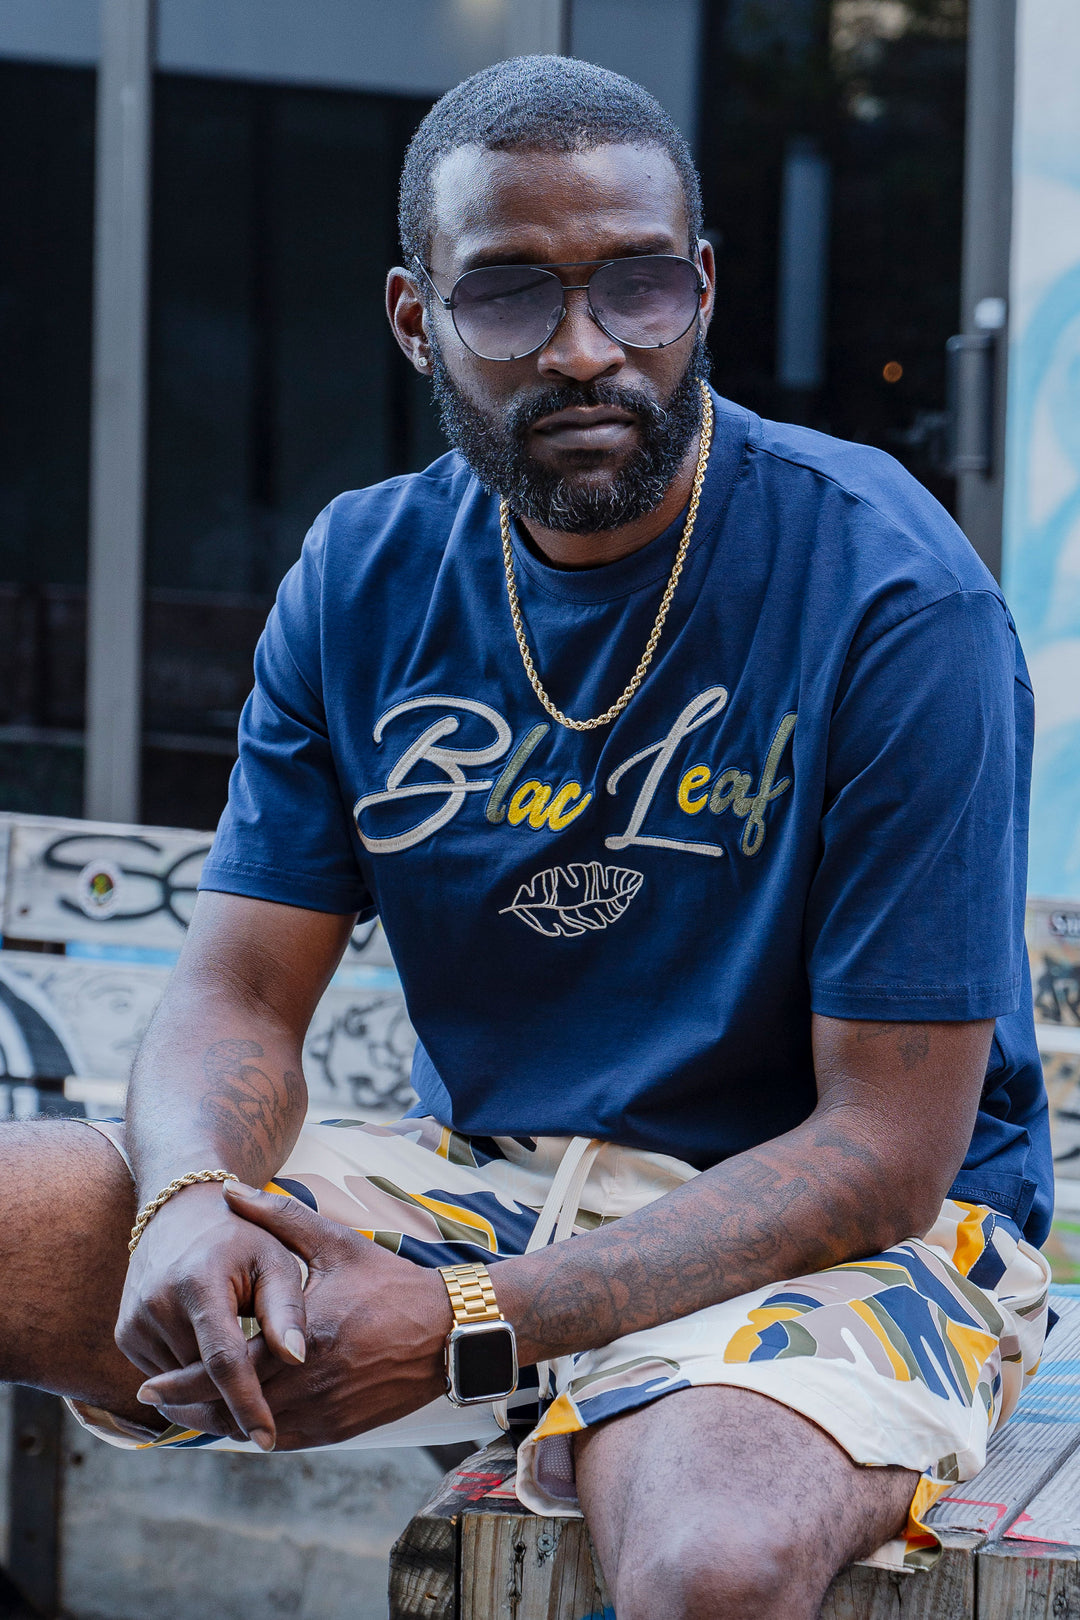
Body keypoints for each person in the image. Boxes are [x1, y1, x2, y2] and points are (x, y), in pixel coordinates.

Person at [0, 56, 1053, 1620]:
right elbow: (238, 995)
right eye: (509, 297)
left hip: (843, 1240)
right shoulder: (364, 571)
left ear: (700, 287)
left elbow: (884, 1156)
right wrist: (190, 1203)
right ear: (417, 318)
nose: (586, 351)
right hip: (490, 1186)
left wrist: (466, 1323)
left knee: (712, 1564)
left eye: (638, 288)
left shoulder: (893, 593)